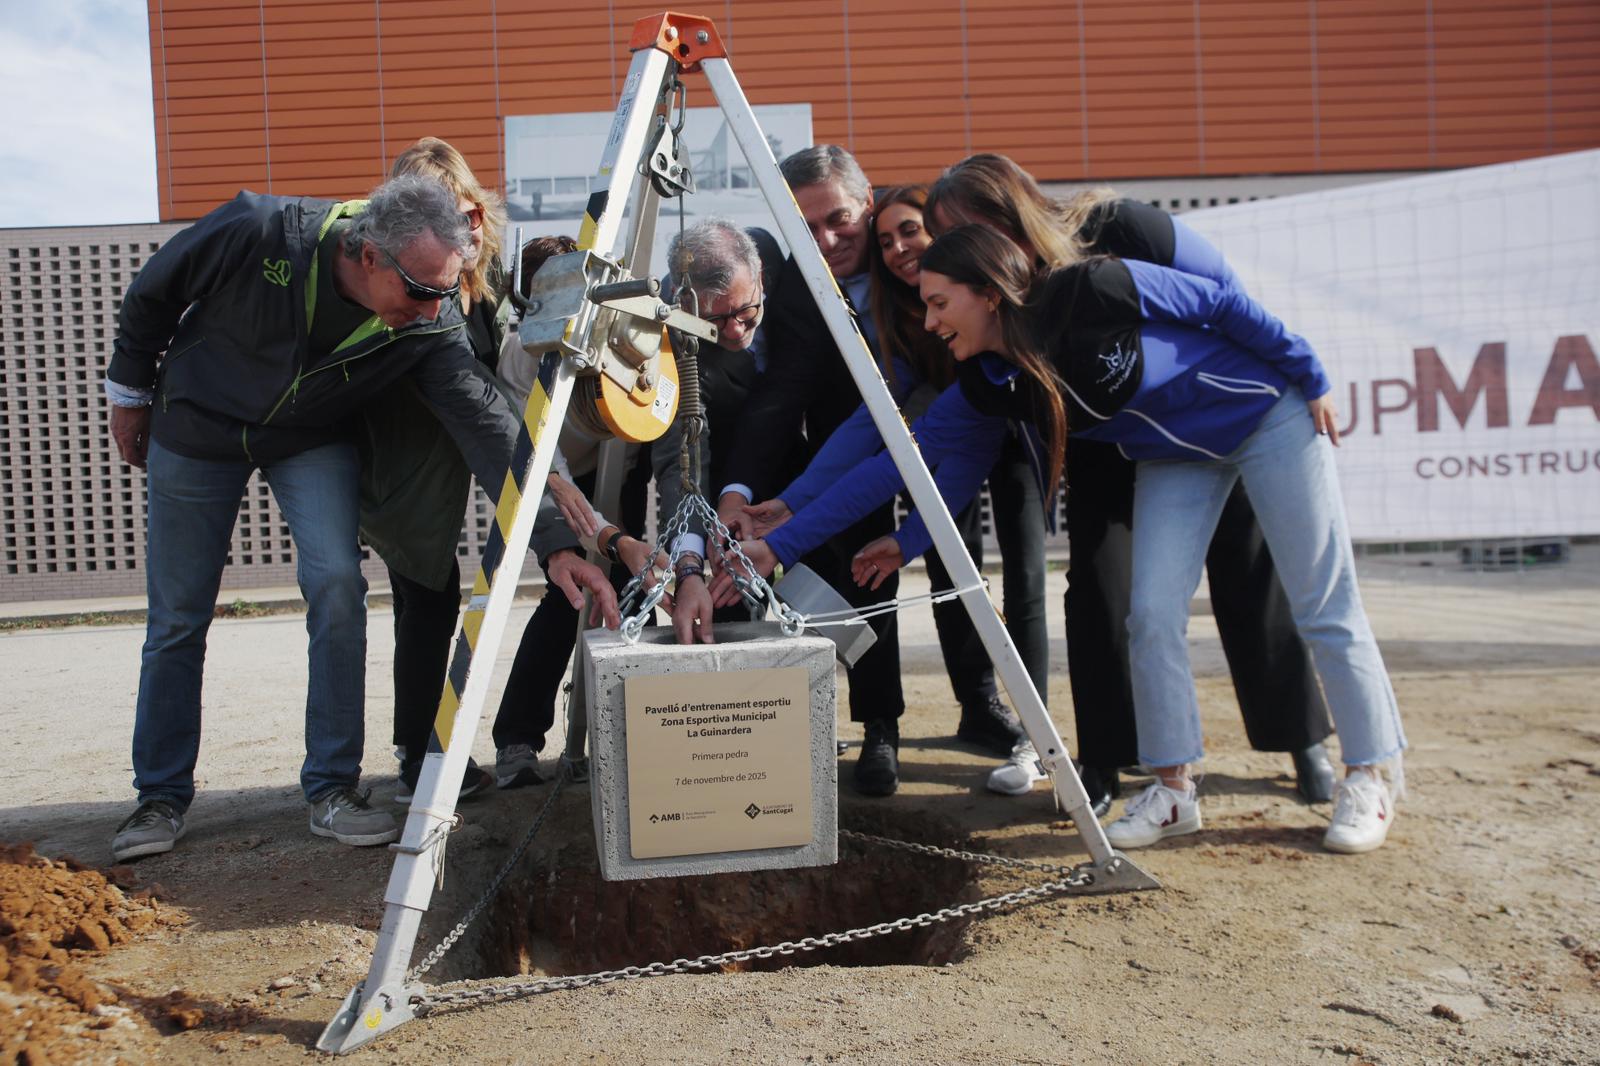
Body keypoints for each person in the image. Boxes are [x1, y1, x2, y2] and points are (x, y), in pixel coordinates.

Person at [769, 225, 1407, 853]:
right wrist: (786, 545)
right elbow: (901, 466)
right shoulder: (989, 384)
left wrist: (1310, 373)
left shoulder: (1092, 287)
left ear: (989, 292)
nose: (931, 323)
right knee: (1150, 615)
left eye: (939, 303)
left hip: (1266, 415)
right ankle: (1173, 791)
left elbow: (1218, 302)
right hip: (1177, 459)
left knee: (1322, 604)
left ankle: (1370, 775)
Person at [102, 175, 560, 860]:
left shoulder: (428, 322)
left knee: (339, 587)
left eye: (446, 291)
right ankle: (159, 799)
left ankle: (332, 789)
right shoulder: (258, 230)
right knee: (178, 613)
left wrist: (554, 539)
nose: (437, 308)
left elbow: (486, 422)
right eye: (423, 291)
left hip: (308, 436)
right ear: (369, 256)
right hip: (196, 427)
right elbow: (153, 295)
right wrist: (131, 393)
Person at [922, 154, 1336, 809]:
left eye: (965, 228)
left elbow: (1223, 291)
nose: (957, 248)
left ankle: (1299, 738)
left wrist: (1293, 378)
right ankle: (1105, 760)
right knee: (1096, 586)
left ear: (1010, 211)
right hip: (1099, 438)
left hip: (1197, 416)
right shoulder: (993, 301)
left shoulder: (1120, 227)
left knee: (1246, 564)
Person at [737, 185, 1042, 762]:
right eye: (889, 241)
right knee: (884, 566)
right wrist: (797, 506)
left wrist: (788, 533)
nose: (900, 250)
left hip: (1000, 435)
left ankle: (1003, 713)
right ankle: (887, 726)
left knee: (986, 574)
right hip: (945, 436)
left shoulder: (1012, 312)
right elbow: (874, 422)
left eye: (911, 233)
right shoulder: (900, 315)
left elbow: (918, 448)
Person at [712, 145, 908, 796]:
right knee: (859, 571)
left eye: (839, 220)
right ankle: (873, 726)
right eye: (806, 227)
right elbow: (781, 395)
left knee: (968, 578)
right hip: (844, 455)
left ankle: (984, 708)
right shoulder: (795, 286)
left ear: (869, 205)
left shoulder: (907, 260)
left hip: (941, 433)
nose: (826, 240)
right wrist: (738, 488)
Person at [359, 137, 508, 803]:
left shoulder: (480, 277)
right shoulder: (400, 281)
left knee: (432, 601)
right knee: (428, 599)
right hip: (409, 467)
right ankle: (421, 758)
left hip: (456, 455)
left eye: (456, 211)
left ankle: (419, 749)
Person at [491, 235, 662, 787]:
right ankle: (518, 738)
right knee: (567, 593)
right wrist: (608, 536)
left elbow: (647, 418)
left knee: (637, 587)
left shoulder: (631, 334)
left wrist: (625, 542)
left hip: (622, 456)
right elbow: (547, 462)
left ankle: (647, 729)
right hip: (558, 473)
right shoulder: (522, 353)